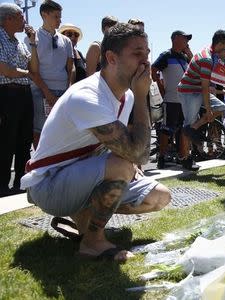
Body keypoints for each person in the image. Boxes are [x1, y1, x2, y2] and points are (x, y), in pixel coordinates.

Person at [21, 23, 171, 262]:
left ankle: (84, 218)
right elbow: (136, 153)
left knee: (159, 196)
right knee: (121, 166)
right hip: (48, 185)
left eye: (147, 54)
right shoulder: (88, 96)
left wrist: (132, 165)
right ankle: (92, 242)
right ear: (111, 58)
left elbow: (124, 151)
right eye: (137, 54)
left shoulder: (126, 95)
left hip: (79, 175)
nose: (145, 62)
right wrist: (143, 97)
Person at [0, 3, 38, 196]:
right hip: (6, 94)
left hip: (24, 94)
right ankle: (1, 185)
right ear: (8, 19)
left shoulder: (20, 42)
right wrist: (27, 74)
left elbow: (34, 67)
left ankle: (20, 182)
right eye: (20, 16)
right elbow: (5, 70)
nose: (24, 20)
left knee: (24, 138)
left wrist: (33, 42)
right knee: (6, 139)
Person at [177, 30, 225, 170]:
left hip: (197, 90)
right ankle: (186, 159)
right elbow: (205, 88)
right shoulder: (207, 59)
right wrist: (208, 110)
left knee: (221, 107)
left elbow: (204, 89)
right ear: (220, 44)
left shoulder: (210, 50)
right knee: (187, 124)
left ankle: (193, 128)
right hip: (190, 91)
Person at [25, 0, 73, 149]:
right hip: (41, 90)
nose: (60, 20)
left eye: (60, 16)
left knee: (62, 128)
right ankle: (41, 163)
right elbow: (32, 71)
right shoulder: (31, 39)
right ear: (44, 15)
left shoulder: (66, 41)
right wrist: (47, 92)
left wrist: (68, 89)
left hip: (63, 90)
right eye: (56, 16)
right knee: (40, 128)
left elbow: (70, 68)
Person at [151, 30, 193, 169]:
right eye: (184, 39)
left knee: (182, 130)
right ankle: (162, 157)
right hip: (171, 100)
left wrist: (189, 53)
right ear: (175, 39)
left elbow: (194, 66)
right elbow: (153, 69)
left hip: (184, 101)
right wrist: (161, 89)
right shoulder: (166, 55)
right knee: (166, 129)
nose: (187, 42)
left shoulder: (183, 57)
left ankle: (182, 157)